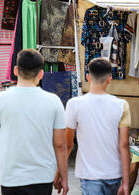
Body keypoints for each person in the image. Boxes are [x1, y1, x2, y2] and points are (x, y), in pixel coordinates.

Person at [0, 49, 69, 195]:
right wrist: (64, 176)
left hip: (11, 176)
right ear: (41, 74)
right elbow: (60, 145)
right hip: (42, 176)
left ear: (15, 70)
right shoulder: (53, 101)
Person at [55, 58, 130, 195]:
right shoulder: (122, 105)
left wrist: (60, 172)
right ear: (109, 78)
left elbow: (68, 144)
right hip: (114, 173)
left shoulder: (74, 104)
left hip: (89, 175)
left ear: (88, 77)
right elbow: (124, 144)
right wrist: (126, 182)